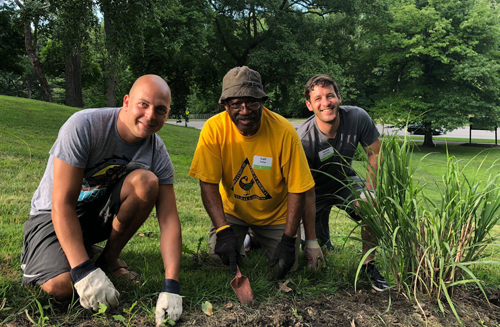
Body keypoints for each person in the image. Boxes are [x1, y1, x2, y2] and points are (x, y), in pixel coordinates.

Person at [20, 75, 183, 325]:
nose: (150, 116)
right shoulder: (85, 125)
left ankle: (108, 258)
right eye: (143, 104)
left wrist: (171, 286)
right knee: (61, 287)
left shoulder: (156, 150)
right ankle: (40, 250)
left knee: (147, 182)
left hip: (94, 216)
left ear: (167, 113)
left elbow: (169, 220)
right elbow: (62, 204)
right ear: (126, 101)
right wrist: (83, 271)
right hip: (52, 216)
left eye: (160, 110)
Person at [189, 66, 323, 279]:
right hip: (233, 212)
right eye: (236, 104)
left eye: (252, 102)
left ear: (262, 102)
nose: (245, 110)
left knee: (287, 267)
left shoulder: (284, 131)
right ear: (225, 105)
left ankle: (256, 238)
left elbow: (299, 188)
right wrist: (223, 231)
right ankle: (246, 237)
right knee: (219, 260)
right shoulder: (213, 129)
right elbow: (208, 184)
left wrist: (289, 240)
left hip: (275, 214)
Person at [297, 74, 389, 291]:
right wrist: (311, 243)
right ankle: (323, 243)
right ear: (310, 105)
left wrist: (370, 191)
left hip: (343, 180)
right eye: (318, 99)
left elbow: (375, 153)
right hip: (313, 191)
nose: (325, 103)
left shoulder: (358, 117)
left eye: (330, 96)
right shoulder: (303, 140)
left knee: (371, 205)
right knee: (315, 261)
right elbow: (301, 188)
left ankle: (369, 265)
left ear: (338, 97)